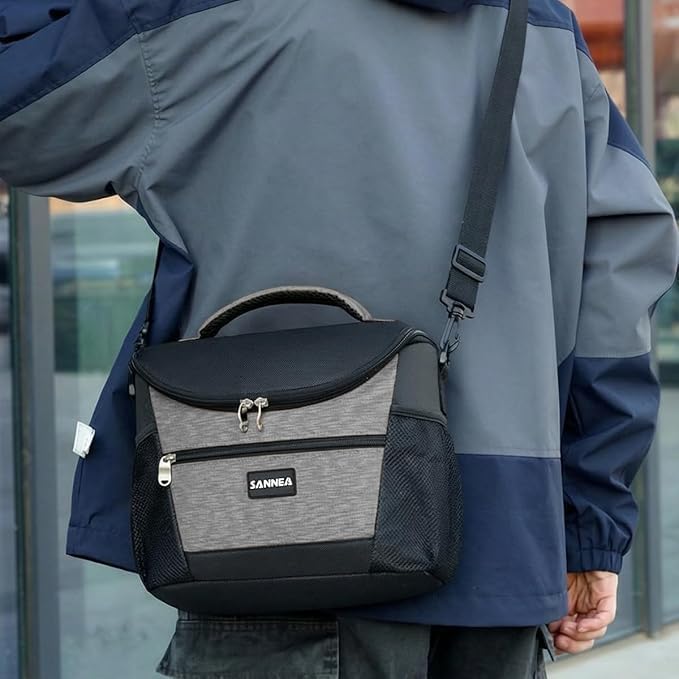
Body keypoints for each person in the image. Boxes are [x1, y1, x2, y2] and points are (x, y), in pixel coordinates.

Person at [1, 0, 678, 677]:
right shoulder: (538, 27)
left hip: (280, 513)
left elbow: (24, 112)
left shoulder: (208, 17)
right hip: (502, 543)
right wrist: (589, 524)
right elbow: (616, 277)